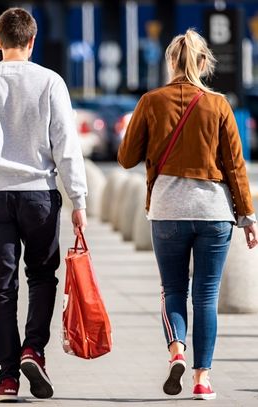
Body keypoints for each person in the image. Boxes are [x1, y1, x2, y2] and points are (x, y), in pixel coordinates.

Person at [0, 8, 88, 402]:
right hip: (39, 195)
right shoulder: (50, 82)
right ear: (32, 40)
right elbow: (67, 148)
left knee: (1, 288)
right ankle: (34, 350)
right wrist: (78, 199)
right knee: (43, 276)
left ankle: (6, 378)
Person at [118, 29, 258, 401]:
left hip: (168, 210)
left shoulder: (151, 101)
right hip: (214, 212)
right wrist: (247, 216)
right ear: (201, 63)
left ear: (170, 63)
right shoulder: (219, 105)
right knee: (207, 297)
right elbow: (235, 166)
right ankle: (203, 379)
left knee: (173, 289)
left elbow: (126, 158)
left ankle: (177, 349)